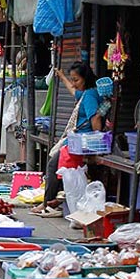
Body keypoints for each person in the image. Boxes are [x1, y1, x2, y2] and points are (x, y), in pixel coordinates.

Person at [31, 61, 102, 216]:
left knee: (53, 165)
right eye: (73, 79)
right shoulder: (85, 92)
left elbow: (95, 118)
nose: (74, 83)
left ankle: (48, 203)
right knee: (56, 167)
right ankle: (54, 201)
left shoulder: (89, 95)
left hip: (82, 142)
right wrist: (61, 76)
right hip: (76, 140)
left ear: (85, 78)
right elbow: (72, 90)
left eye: (76, 80)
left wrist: (98, 140)